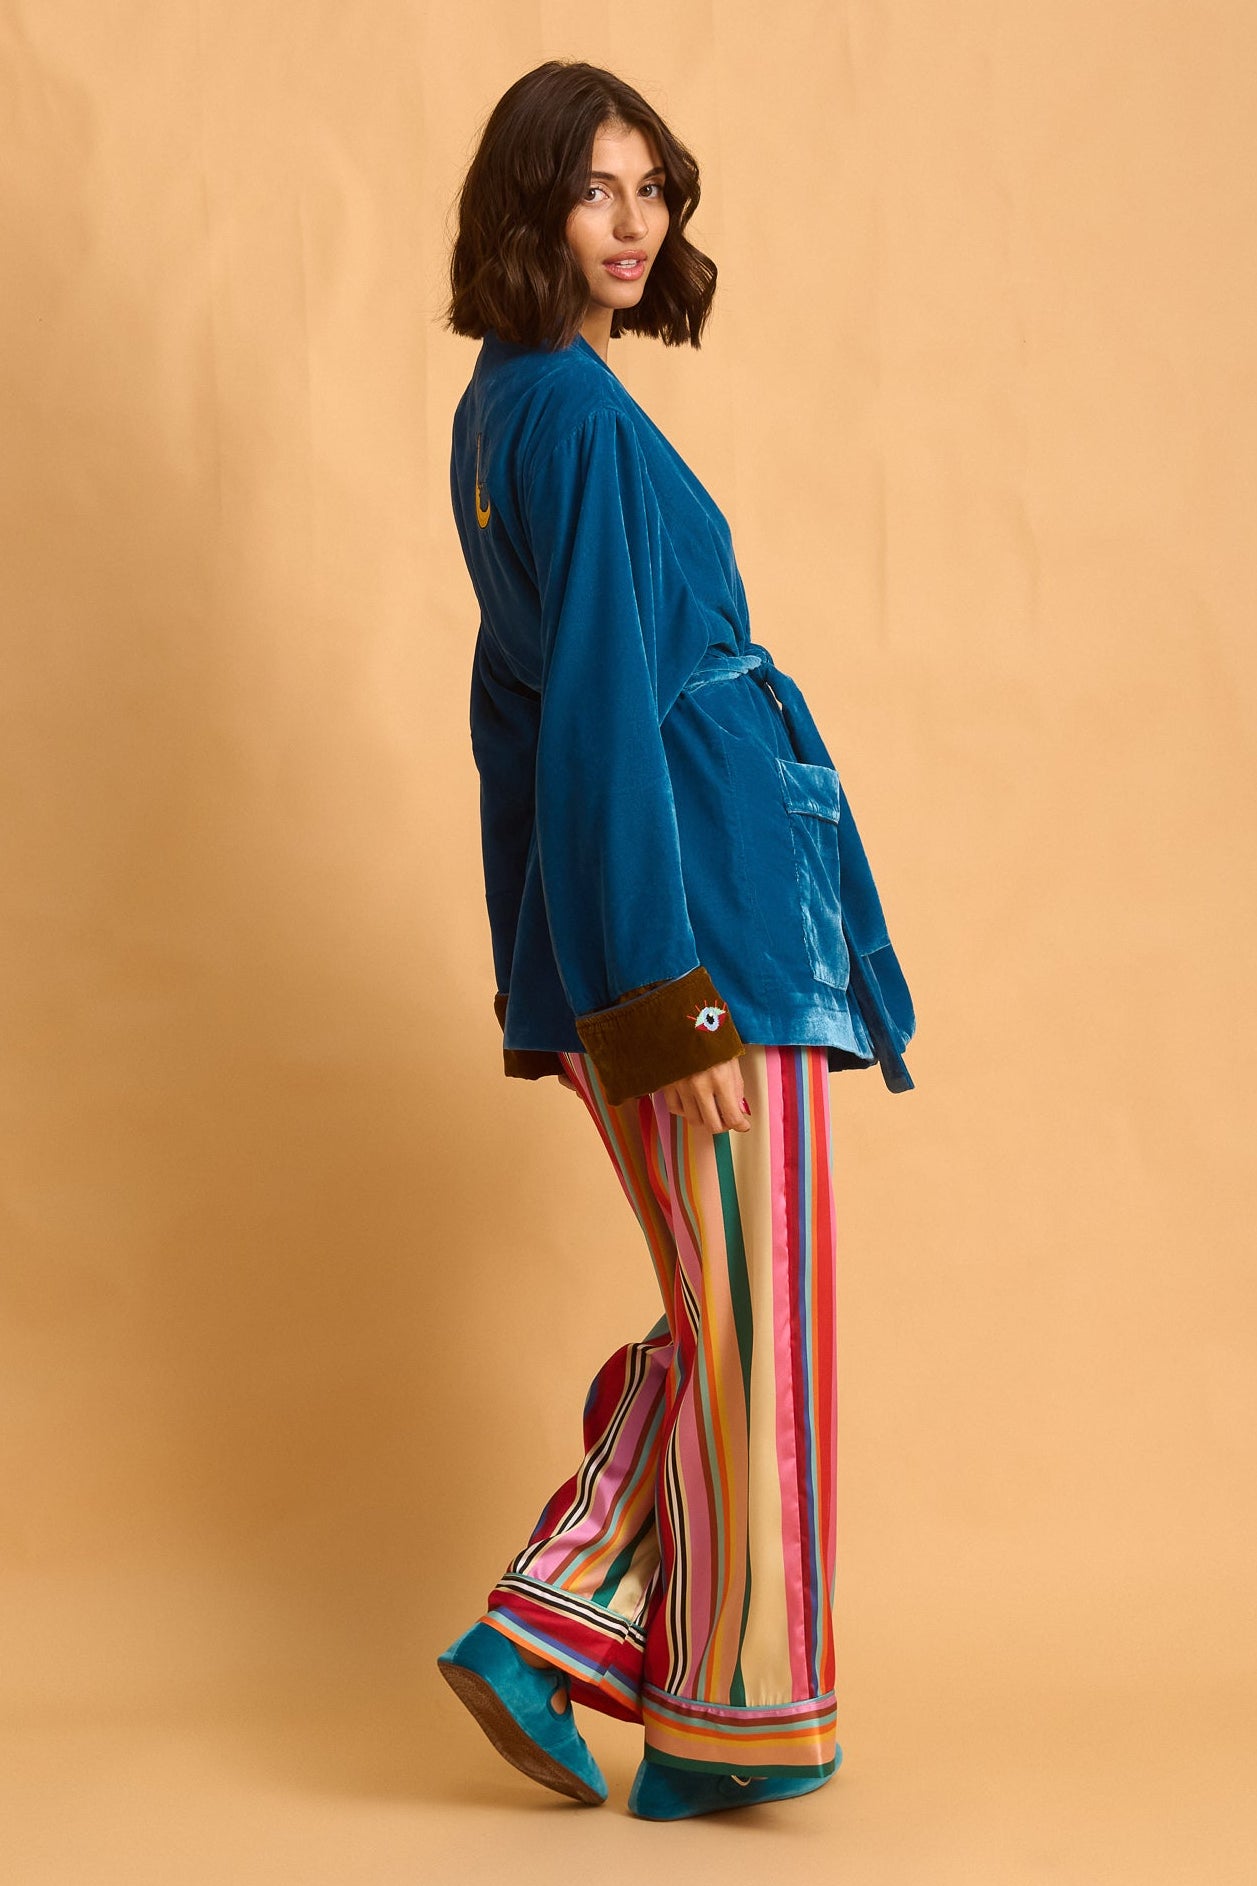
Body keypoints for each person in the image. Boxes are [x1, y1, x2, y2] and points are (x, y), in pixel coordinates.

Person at [435, 59, 916, 1822]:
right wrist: (650, 995)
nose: (631, 222)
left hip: (669, 923)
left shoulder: (509, 409)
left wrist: (543, 966)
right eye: (594, 188)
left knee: (730, 1309)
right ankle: (701, 1709)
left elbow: (513, 713)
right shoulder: (564, 415)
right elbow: (581, 717)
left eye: (650, 187)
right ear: (529, 206)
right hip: (700, 938)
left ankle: (556, 1630)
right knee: (756, 1319)